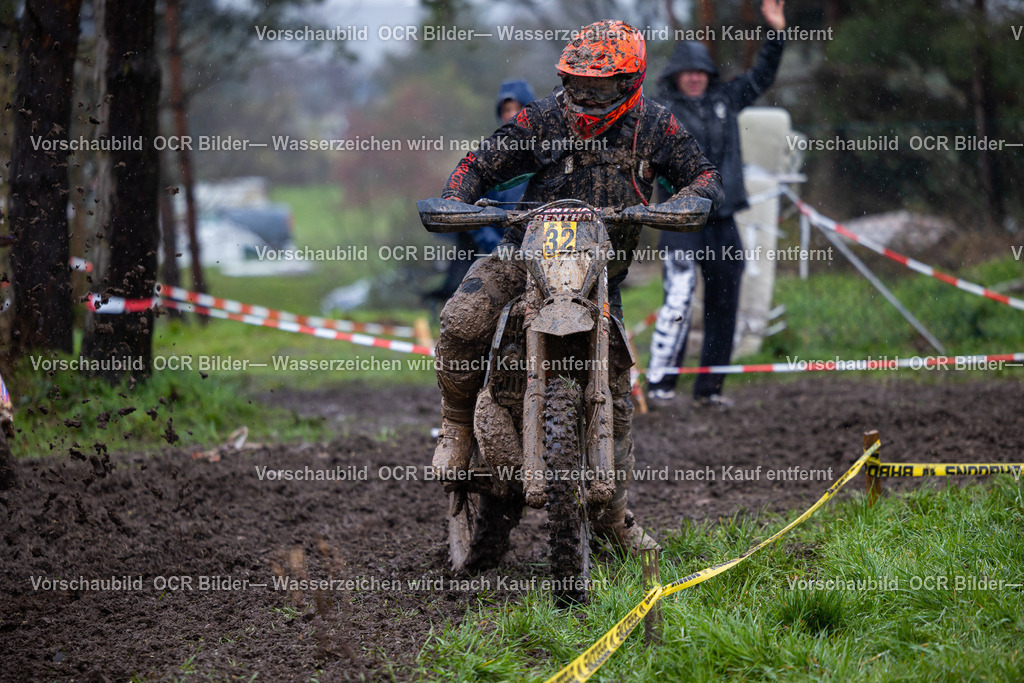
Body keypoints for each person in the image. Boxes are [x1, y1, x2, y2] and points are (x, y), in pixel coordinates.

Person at [431, 20, 723, 553]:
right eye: (578, 83)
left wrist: (679, 204)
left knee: (614, 396)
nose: (586, 96)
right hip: (524, 256)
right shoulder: (541, 118)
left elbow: (704, 177)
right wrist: (457, 197)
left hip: (597, 280)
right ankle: (455, 426)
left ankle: (613, 517)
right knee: (461, 319)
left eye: (600, 86)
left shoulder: (656, 125)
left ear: (630, 81)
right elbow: (477, 164)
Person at [646, 0, 786, 408]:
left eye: (701, 72)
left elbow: (762, 76)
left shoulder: (726, 98)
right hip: (681, 223)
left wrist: (775, 32)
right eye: (687, 72)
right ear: (676, 75)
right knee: (679, 299)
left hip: (723, 220)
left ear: (708, 74)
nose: (694, 78)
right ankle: (660, 385)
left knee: (725, 302)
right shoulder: (661, 112)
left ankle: (709, 389)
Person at [424, 80, 536, 306]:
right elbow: (476, 214)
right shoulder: (492, 158)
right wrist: (500, 248)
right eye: (506, 110)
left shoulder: (549, 151)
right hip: (499, 258)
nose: (512, 115)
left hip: (544, 252)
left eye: (518, 108)